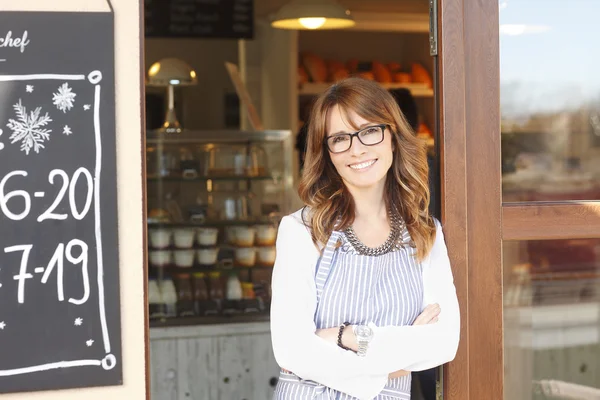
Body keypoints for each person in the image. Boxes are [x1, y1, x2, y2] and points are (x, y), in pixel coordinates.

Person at [270, 77, 460, 400]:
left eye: (369, 131)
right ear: (326, 152)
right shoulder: (301, 230)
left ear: (392, 137)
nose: (356, 149)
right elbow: (292, 350)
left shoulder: (425, 234)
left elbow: (444, 342)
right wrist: (397, 359)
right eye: (340, 138)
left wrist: (347, 336)